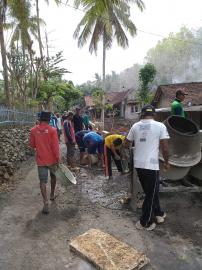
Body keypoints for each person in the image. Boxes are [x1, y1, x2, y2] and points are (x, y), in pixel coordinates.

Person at [125, 105, 170, 231]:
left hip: (138, 164)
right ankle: (145, 222)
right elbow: (165, 149)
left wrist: (138, 143)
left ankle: (159, 213)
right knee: (151, 193)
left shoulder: (135, 126)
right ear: (154, 114)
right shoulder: (160, 126)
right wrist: (167, 162)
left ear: (142, 114)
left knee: (151, 191)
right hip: (151, 165)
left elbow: (126, 143)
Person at [29, 111, 60, 214]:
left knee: (43, 182)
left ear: (40, 119)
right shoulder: (52, 130)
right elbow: (55, 146)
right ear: (49, 119)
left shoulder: (33, 130)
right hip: (52, 160)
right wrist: (58, 158)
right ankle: (51, 195)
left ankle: (45, 202)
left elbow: (32, 145)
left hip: (41, 160)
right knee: (53, 176)